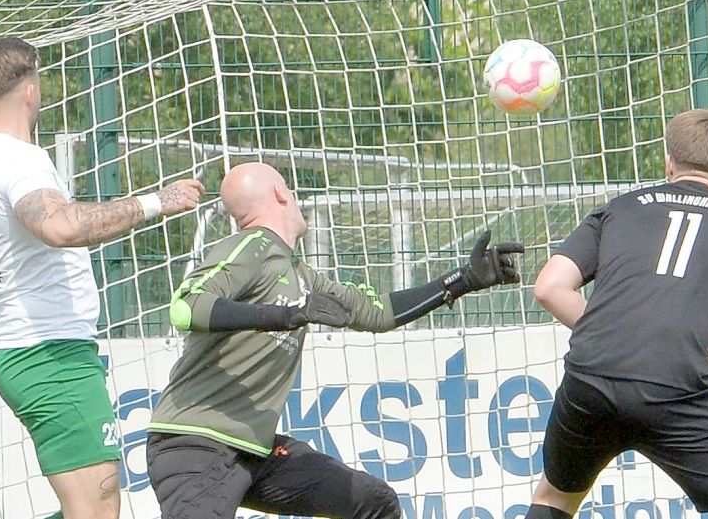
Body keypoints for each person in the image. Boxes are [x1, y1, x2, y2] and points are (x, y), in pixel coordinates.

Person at [145, 162, 525, 519]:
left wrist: (464, 280)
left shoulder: (302, 277)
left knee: (374, 503)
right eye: (290, 189)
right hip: (194, 446)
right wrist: (280, 317)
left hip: (254, 453)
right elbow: (186, 307)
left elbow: (378, 312)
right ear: (280, 193)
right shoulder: (252, 246)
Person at [0, 37, 205, 519]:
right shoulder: (18, 160)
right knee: (97, 511)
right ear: (30, 90)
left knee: (93, 508)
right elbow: (59, 226)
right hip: (50, 355)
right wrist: (155, 202)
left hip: (28, 352)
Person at [529, 109, 708, 519]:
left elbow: (549, 288)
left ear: (669, 161)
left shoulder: (620, 208)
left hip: (592, 377)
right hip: (678, 386)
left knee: (554, 499)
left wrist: (616, 330)